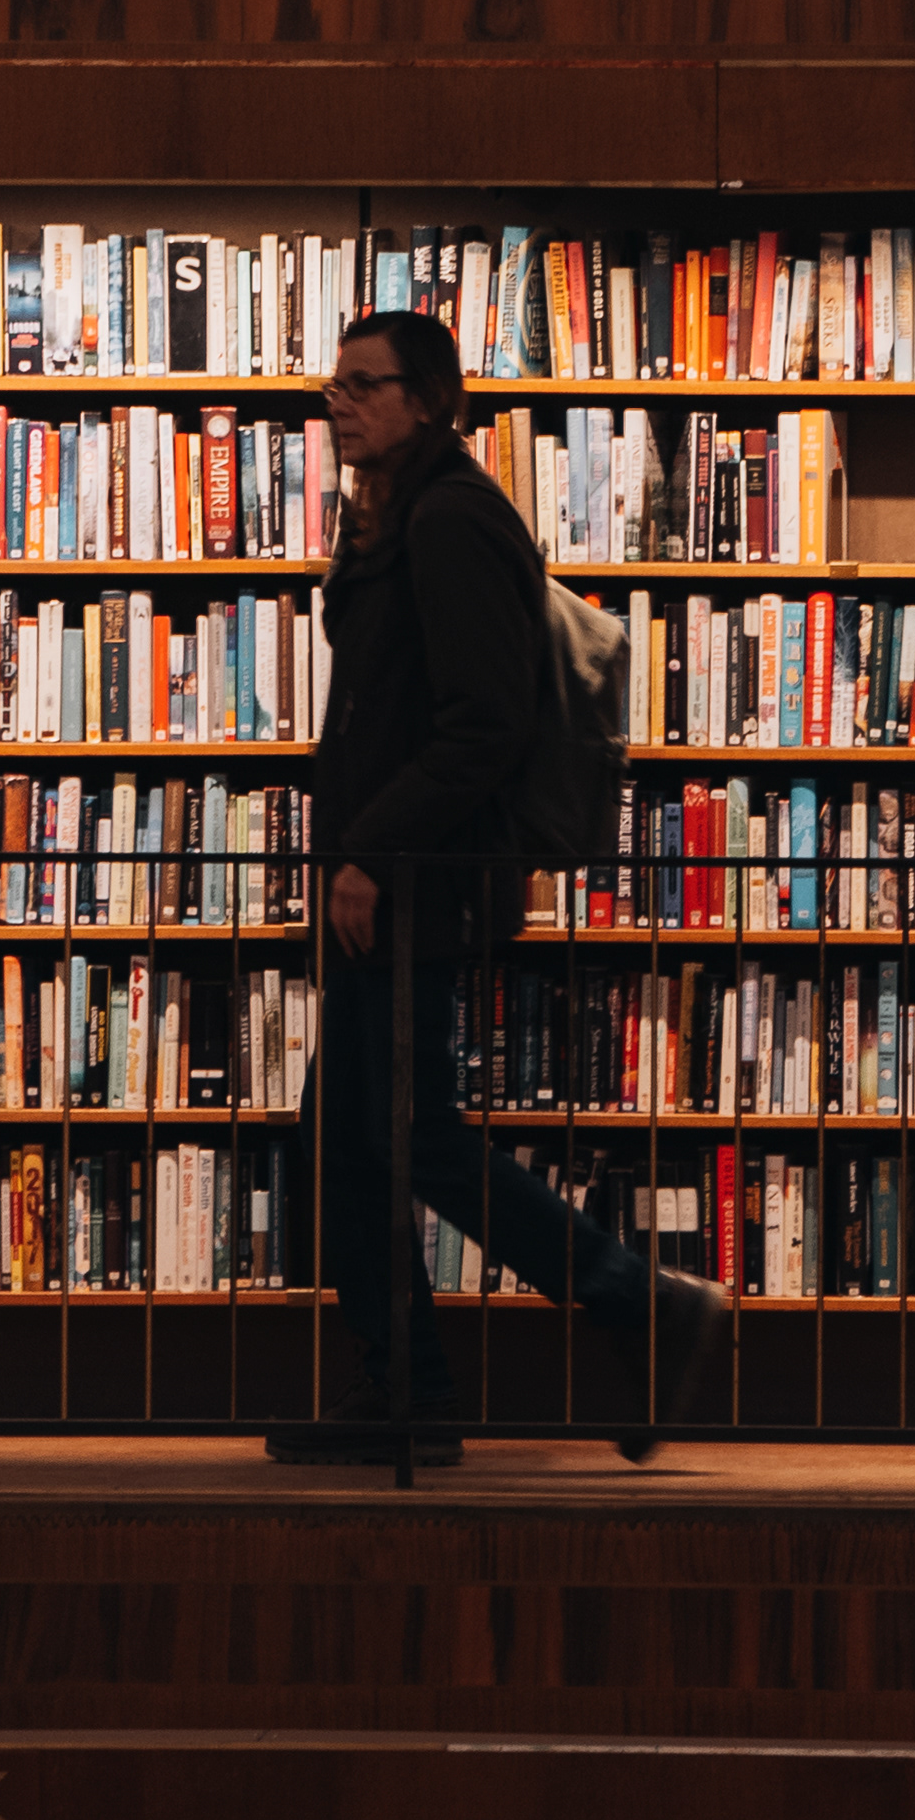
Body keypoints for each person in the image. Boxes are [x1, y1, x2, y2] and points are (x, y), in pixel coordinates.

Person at [272, 303, 728, 1464]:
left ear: (427, 401)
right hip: (396, 881)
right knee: (351, 1139)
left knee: (403, 1138)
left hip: (415, 886)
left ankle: (634, 1297)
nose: (340, 401)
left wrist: (370, 853)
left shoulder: (453, 520)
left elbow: (484, 725)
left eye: (365, 385)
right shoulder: (395, 517)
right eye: (337, 383)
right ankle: (405, 1390)